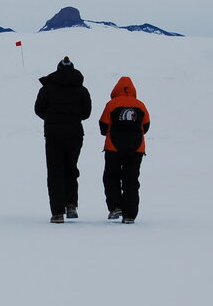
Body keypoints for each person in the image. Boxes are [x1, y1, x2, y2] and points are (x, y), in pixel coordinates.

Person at [34, 56, 91, 223]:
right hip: (75, 132)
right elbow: (86, 113)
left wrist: (51, 118)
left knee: (55, 171)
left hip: (53, 133)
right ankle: (71, 204)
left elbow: (38, 110)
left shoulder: (47, 88)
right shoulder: (82, 90)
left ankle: (57, 212)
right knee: (71, 169)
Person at [99, 76, 151, 224]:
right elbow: (146, 126)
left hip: (113, 147)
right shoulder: (140, 105)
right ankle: (130, 214)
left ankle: (115, 207)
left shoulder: (111, 104)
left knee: (111, 177)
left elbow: (103, 126)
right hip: (136, 148)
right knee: (131, 180)